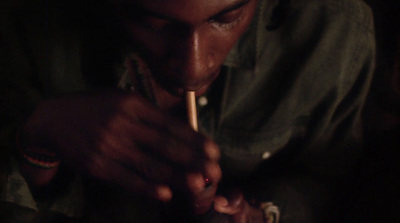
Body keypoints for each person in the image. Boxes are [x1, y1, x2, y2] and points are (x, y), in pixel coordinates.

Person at [0, 0, 375, 222]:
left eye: (227, 17)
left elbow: (332, 177)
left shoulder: (332, 28)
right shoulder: (28, 22)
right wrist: (38, 142)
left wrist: (264, 213)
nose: (194, 68)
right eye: (153, 21)